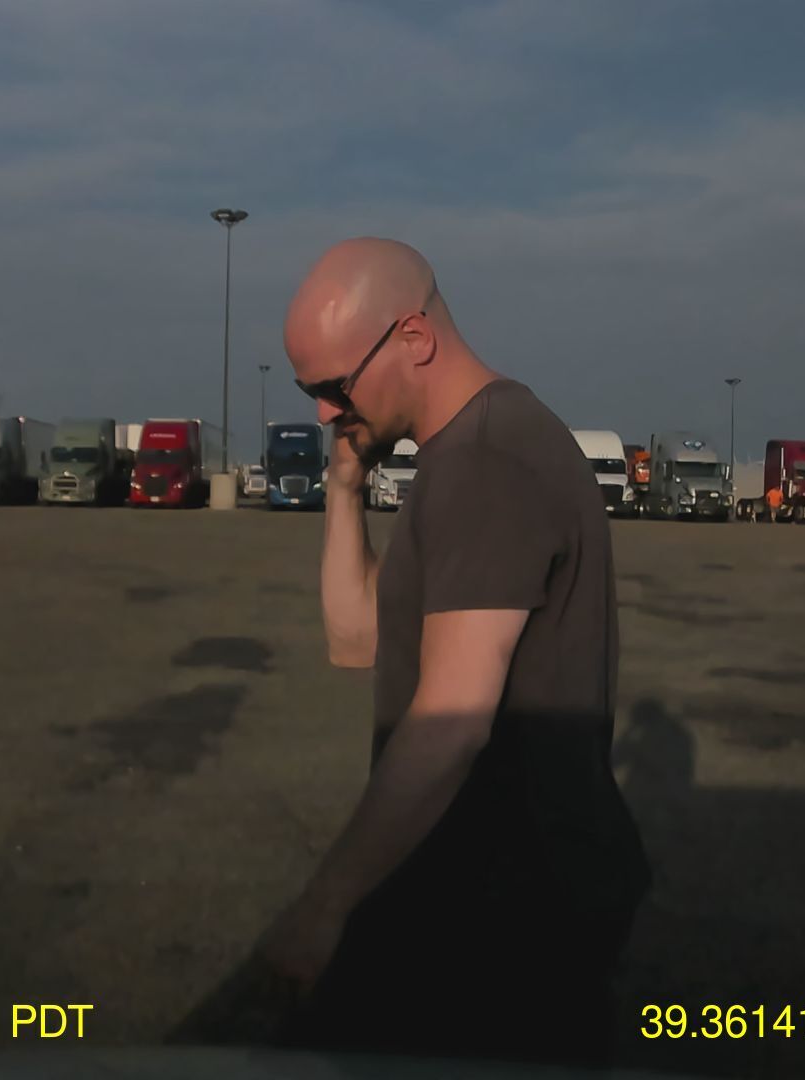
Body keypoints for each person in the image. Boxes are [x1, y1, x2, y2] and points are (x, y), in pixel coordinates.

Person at [257, 237, 651, 1068]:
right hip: (466, 887)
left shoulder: (487, 461)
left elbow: (452, 720)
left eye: (334, 387)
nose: (324, 413)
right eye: (309, 392)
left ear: (414, 338)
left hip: (505, 916)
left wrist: (325, 903)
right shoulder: (459, 454)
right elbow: (355, 641)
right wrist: (343, 490)